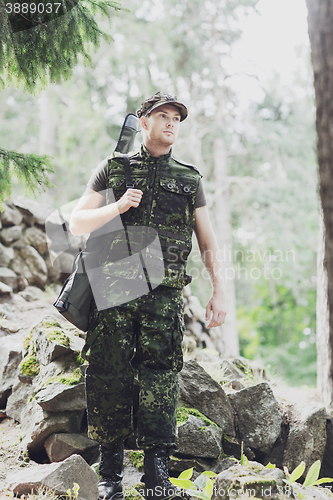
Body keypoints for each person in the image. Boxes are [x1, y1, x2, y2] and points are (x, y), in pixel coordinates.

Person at [69, 92, 226, 500]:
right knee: (108, 375)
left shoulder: (189, 179)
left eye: (176, 118)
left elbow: (207, 241)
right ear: (144, 122)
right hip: (114, 290)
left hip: (164, 295)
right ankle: (109, 478)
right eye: (163, 116)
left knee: (162, 380)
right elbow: (77, 221)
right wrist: (116, 206)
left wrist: (219, 291)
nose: (171, 123)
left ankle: (157, 481)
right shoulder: (113, 168)